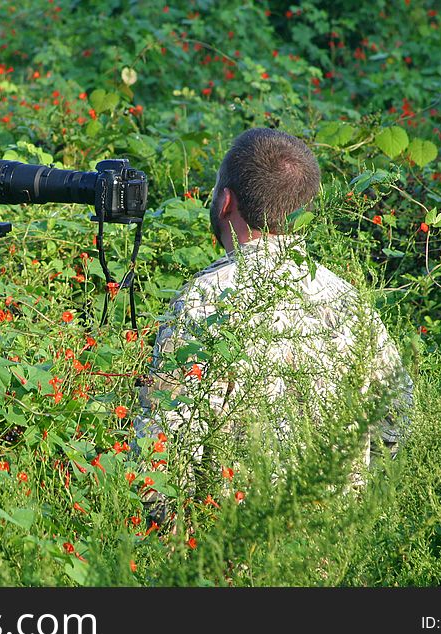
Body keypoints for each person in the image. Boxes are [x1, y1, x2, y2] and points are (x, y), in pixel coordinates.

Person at [135, 127, 413, 522]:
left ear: (225, 201)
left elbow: (160, 457)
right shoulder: (352, 305)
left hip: (227, 556)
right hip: (330, 557)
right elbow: (396, 430)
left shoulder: (202, 301)